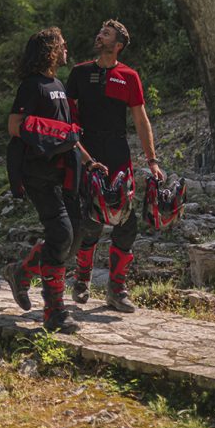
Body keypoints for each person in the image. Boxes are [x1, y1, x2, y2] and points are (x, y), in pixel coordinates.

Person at [66, 19, 165, 312]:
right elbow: (68, 120)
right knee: (90, 221)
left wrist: (152, 161)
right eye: (100, 31)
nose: (100, 35)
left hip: (119, 155)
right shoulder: (79, 73)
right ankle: (81, 279)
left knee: (126, 223)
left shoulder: (129, 76)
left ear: (118, 44)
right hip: (87, 155)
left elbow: (141, 121)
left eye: (106, 33)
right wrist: (81, 155)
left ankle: (117, 290)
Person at [2, 27, 96, 334]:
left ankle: (21, 271)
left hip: (65, 173)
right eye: (62, 45)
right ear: (49, 50)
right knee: (61, 233)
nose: (66, 49)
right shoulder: (31, 86)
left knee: (75, 236)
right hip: (37, 174)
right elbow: (15, 125)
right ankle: (54, 312)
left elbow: (68, 134)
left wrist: (89, 161)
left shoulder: (58, 85)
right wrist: (51, 135)